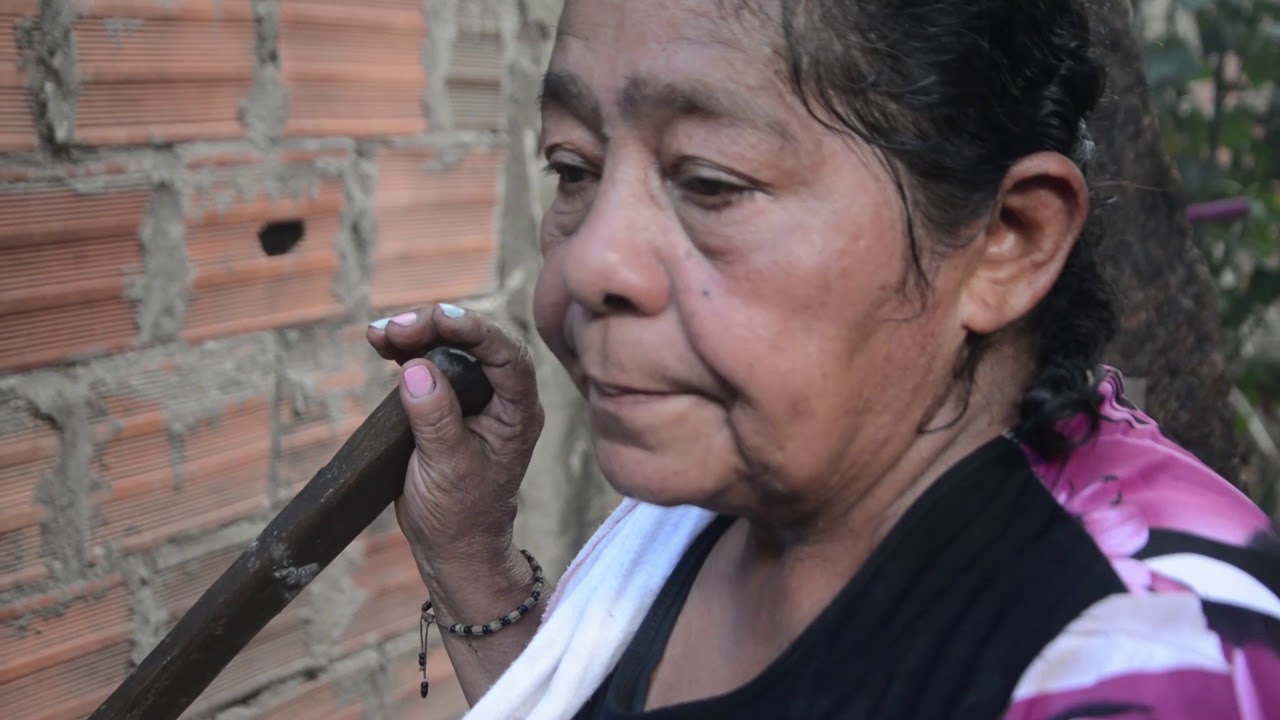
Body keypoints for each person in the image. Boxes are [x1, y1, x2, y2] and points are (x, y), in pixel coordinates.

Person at [367, 0, 1280, 717]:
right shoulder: (732, 501)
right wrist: (472, 559)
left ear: (1008, 239)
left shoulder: (1155, 658)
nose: (591, 261)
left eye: (711, 182)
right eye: (574, 168)